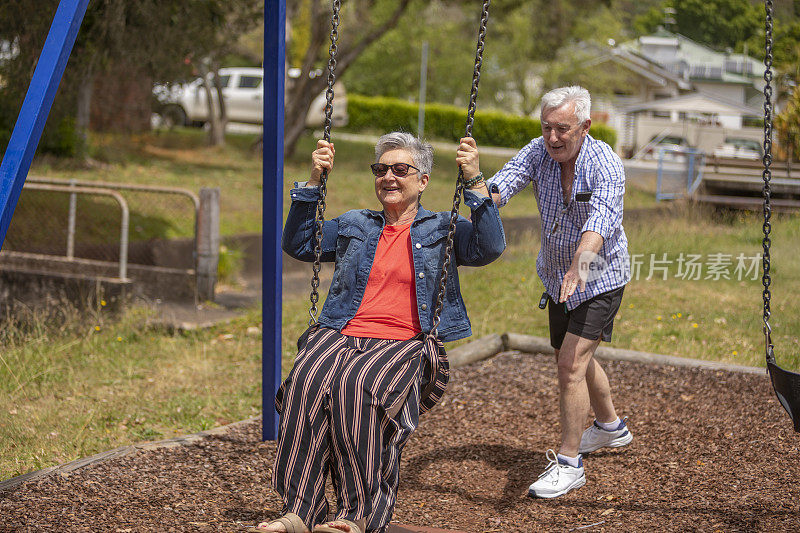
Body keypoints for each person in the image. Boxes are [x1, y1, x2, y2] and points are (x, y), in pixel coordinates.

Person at [253, 132, 505, 533]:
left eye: (400, 169)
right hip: (340, 332)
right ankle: (302, 510)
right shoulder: (357, 224)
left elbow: (488, 247)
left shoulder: (442, 227)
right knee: (305, 385)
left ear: (422, 180)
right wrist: (315, 181)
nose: (389, 176)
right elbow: (300, 243)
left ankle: (357, 514)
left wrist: (474, 180)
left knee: (357, 388)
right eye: (381, 169)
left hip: (406, 341)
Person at [488, 86, 632, 499]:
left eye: (563, 129)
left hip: (599, 274)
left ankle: (570, 464)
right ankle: (610, 427)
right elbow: (503, 185)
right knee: (573, 358)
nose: (553, 138)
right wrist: (476, 188)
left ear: (585, 127)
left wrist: (579, 267)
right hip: (557, 276)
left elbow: (601, 222)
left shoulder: (605, 164)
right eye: (547, 127)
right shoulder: (539, 151)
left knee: (571, 362)